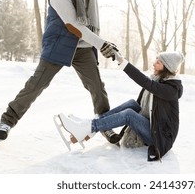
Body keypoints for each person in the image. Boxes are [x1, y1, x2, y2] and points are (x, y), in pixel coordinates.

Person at [0, 0, 120, 144]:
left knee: (97, 87)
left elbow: (91, 25)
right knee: (36, 85)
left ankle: (105, 125)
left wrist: (101, 46)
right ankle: (7, 121)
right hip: (60, 43)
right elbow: (74, 26)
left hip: (83, 47)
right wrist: (101, 44)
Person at [56, 51, 184, 161]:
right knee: (132, 104)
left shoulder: (170, 89)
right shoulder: (160, 81)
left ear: (167, 67)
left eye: (159, 62)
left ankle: (89, 127)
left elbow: (146, 83)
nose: (154, 64)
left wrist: (125, 64)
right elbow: (143, 98)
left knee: (129, 114)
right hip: (152, 126)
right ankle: (89, 126)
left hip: (158, 137)